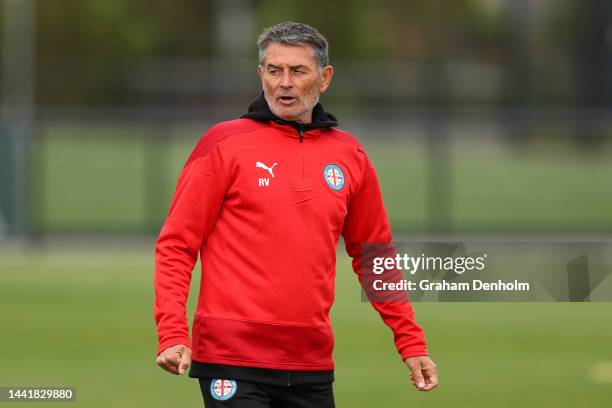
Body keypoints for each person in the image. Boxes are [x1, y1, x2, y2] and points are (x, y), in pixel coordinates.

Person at [154, 21, 438, 407]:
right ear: (261, 75)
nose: (284, 82)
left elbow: (375, 258)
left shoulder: (350, 156)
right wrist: (172, 332)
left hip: (310, 361)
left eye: (298, 71)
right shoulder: (222, 144)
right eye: (274, 71)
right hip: (231, 358)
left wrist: (410, 341)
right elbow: (176, 245)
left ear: (324, 78)